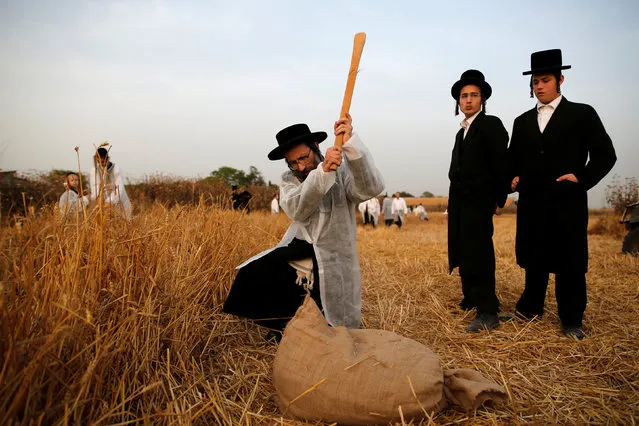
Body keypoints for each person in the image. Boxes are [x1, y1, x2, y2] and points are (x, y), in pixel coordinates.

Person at [222, 114, 384, 340]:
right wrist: (322, 173)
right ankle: (284, 326)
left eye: (303, 158)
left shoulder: (344, 169)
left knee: (331, 317)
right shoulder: (290, 179)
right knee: (252, 274)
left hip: (335, 254)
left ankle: (313, 330)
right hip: (302, 246)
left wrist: (351, 145)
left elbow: (370, 188)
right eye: (293, 162)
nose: (300, 166)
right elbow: (297, 207)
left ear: (315, 146)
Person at [507, 49, 616, 340]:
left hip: (567, 203)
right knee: (534, 260)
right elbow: (512, 160)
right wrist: (512, 178)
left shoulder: (582, 114)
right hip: (531, 204)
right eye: (535, 81)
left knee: (569, 264)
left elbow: (606, 155)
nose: (539, 86)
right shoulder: (522, 122)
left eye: (545, 80)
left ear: (560, 80)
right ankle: (530, 309)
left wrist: (580, 177)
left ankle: (571, 320)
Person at [447, 69, 510, 333]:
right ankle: (471, 298)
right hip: (460, 203)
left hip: (479, 201)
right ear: (458, 101)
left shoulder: (490, 124)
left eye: (474, 95)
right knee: (463, 250)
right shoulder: (461, 133)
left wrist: (498, 198)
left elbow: (501, 164)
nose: (468, 100)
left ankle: (488, 311)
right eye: (464, 96)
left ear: (482, 99)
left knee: (480, 253)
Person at [90, 147, 132, 219]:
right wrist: (99, 200)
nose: (101, 164)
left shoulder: (116, 169)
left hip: (119, 203)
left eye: (103, 162)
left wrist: (110, 201)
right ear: (96, 159)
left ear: (108, 158)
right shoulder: (94, 170)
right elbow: (95, 187)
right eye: (99, 162)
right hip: (103, 204)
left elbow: (119, 188)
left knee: (122, 222)